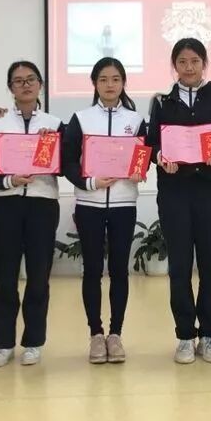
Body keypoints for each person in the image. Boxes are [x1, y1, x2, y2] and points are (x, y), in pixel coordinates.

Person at [145, 37, 211, 364]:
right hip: (175, 192)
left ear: (204, 64)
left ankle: (210, 336)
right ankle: (185, 335)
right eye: (182, 61)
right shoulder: (162, 102)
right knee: (180, 266)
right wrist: (160, 158)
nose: (188, 67)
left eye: (195, 61)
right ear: (175, 65)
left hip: (210, 190)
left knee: (210, 265)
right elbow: (152, 143)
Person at [0, 61, 63, 367]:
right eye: (18, 81)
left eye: (31, 79)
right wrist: (8, 181)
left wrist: (51, 146)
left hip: (42, 204)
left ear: (40, 85)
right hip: (4, 205)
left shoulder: (54, 124)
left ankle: (33, 342)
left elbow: (64, 168)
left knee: (39, 276)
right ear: (10, 87)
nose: (25, 85)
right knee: (6, 277)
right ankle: (3, 344)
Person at [62, 57, 147, 364]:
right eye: (103, 79)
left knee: (120, 270)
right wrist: (89, 182)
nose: (110, 85)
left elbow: (143, 159)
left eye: (115, 79)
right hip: (89, 205)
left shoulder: (136, 120)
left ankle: (116, 334)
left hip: (124, 204)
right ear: (94, 84)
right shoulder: (81, 118)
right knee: (93, 270)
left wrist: (138, 171)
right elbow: (68, 162)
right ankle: (96, 334)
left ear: (123, 83)